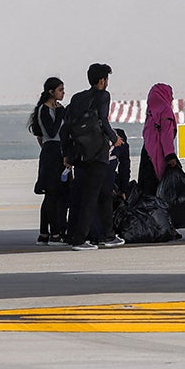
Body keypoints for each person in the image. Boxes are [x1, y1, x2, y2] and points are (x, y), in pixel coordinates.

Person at [62, 62, 122, 249]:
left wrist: (66, 153)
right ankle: (79, 239)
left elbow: (66, 126)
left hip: (80, 153)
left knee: (102, 193)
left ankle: (108, 235)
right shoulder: (103, 95)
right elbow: (103, 120)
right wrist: (115, 138)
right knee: (90, 197)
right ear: (102, 80)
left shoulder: (77, 97)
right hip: (97, 153)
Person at [27, 77, 67, 244]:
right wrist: (58, 115)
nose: (63, 93)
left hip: (59, 150)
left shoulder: (59, 109)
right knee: (52, 194)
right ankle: (54, 233)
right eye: (60, 90)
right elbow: (50, 133)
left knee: (54, 195)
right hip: (51, 152)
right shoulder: (45, 109)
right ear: (51, 92)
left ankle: (45, 233)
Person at [138, 83, 176, 196]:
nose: (172, 98)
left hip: (146, 153)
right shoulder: (165, 111)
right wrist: (170, 155)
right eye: (171, 94)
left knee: (147, 191)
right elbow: (166, 134)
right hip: (160, 156)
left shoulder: (150, 113)